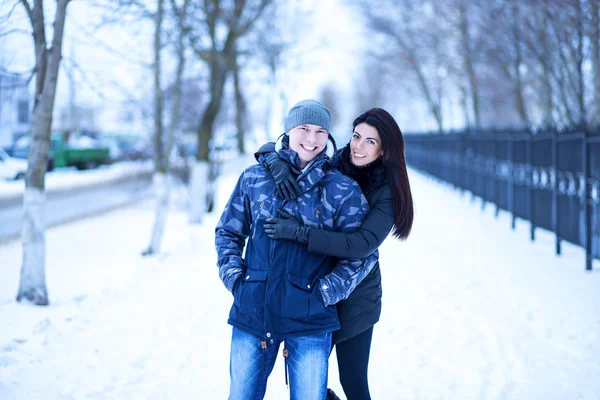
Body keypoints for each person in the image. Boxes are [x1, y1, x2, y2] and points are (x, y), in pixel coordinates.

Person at [215, 99, 378, 400]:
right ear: (289, 130)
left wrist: (325, 293)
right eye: (303, 128)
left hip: (310, 318)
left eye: (320, 131)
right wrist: (236, 280)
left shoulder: (341, 188)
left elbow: (363, 253)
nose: (311, 139)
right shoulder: (255, 178)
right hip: (254, 311)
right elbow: (228, 231)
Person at [257, 108, 414, 400]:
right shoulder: (337, 164)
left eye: (370, 141)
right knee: (307, 379)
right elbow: (286, 149)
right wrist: (272, 161)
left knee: (352, 381)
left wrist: (300, 234)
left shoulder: (387, 191)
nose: (358, 146)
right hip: (315, 288)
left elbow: (361, 245)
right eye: (356, 136)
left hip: (356, 298)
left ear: (384, 150)